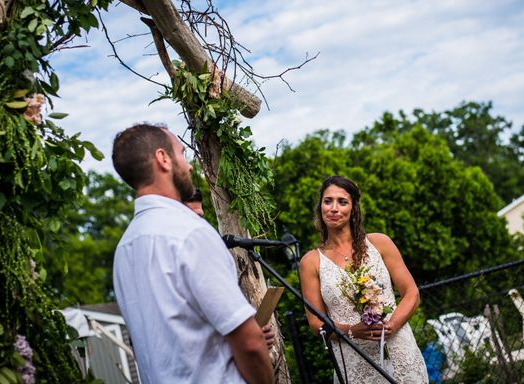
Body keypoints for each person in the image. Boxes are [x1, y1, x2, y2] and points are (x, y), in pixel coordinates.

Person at [111, 123, 274, 384]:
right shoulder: (189, 233)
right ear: (163, 159)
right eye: (182, 153)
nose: (188, 166)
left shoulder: (125, 248)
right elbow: (249, 342)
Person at [299, 175, 428, 383]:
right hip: (354, 361)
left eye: (342, 202)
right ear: (320, 206)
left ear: (353, 209)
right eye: (327, 201)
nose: (333, 208)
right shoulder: (311, 262)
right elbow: (316, 324)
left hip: (399, 351)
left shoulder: (380, 243)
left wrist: (392, 325)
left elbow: (412, 293)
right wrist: (352, 331)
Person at [182, 189, 276, 350]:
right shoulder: (175, 267)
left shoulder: (210, 256)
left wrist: (254, 330)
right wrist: (248, 336)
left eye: (201, 217)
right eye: (193, 217)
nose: (199, 224)